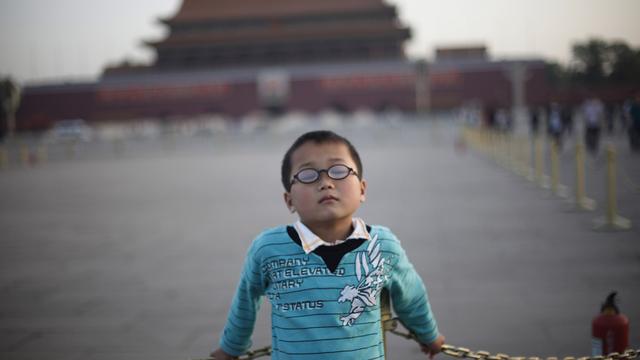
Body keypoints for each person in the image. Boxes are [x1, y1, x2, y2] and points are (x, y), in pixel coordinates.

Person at [210, 130, 445, 359]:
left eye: (339, 170)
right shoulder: (268, 249)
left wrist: (428, 335)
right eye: (308, 174)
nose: (326, 182)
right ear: (289, 200)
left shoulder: (383, 245)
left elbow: (412, 298)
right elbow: (245, 302)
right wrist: (231, 348)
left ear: (362, 189)